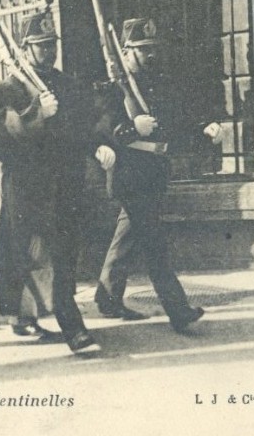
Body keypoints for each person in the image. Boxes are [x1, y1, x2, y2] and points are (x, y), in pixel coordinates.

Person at [0, 5, 113, 354]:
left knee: (64, 254)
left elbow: (85, 124)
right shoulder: (6, 90)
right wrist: (37, 113)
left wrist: (98, 145)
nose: (49, 50)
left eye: (51, 43)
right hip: (26, 187)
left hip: (65, 183)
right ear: (25, 48)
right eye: (41, 45)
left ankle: (67, 318)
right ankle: (33, 318)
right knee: (26, 254)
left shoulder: (65, 84)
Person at [94, 17, 223, 331]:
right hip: (129, 173)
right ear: (126, 52)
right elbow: (101, 129)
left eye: (153, 48)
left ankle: (107, 296)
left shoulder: (157, 82)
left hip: (153, 172)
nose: (150, 55)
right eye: (142, 50)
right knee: (155, 244)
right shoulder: (113, 87)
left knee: (126, 237)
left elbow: (175, 120)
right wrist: (130, 129)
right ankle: (178, 310)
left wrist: (203, 127)